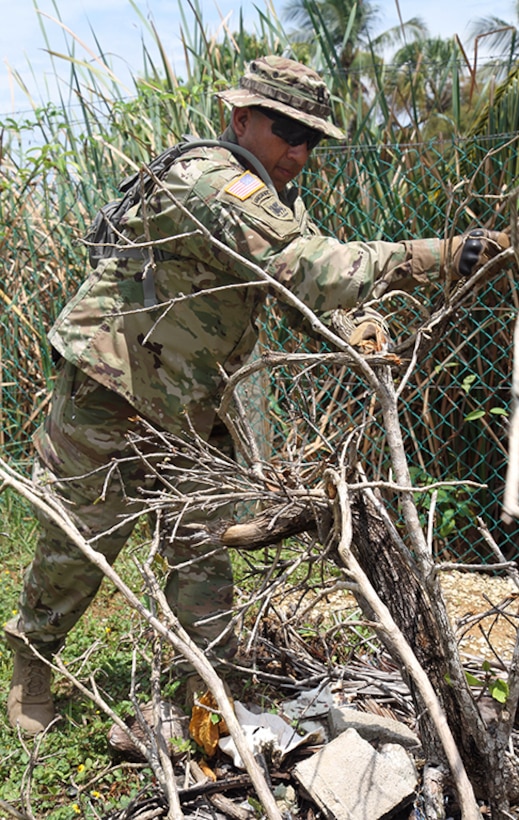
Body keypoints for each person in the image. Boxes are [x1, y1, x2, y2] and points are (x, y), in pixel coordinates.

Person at [4, 55, 509, 735]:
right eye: (286, 132)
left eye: (312, 141)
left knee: (200, 549)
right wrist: (444, 253)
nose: (299, 152)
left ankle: (208, 687)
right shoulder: (206, 182)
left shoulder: (270, 196)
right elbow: (303, 265)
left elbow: (300, 282)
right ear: (241, 118)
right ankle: (33, 661)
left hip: (190, 401)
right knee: (79, 546)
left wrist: (357, 325)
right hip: (113, 389)